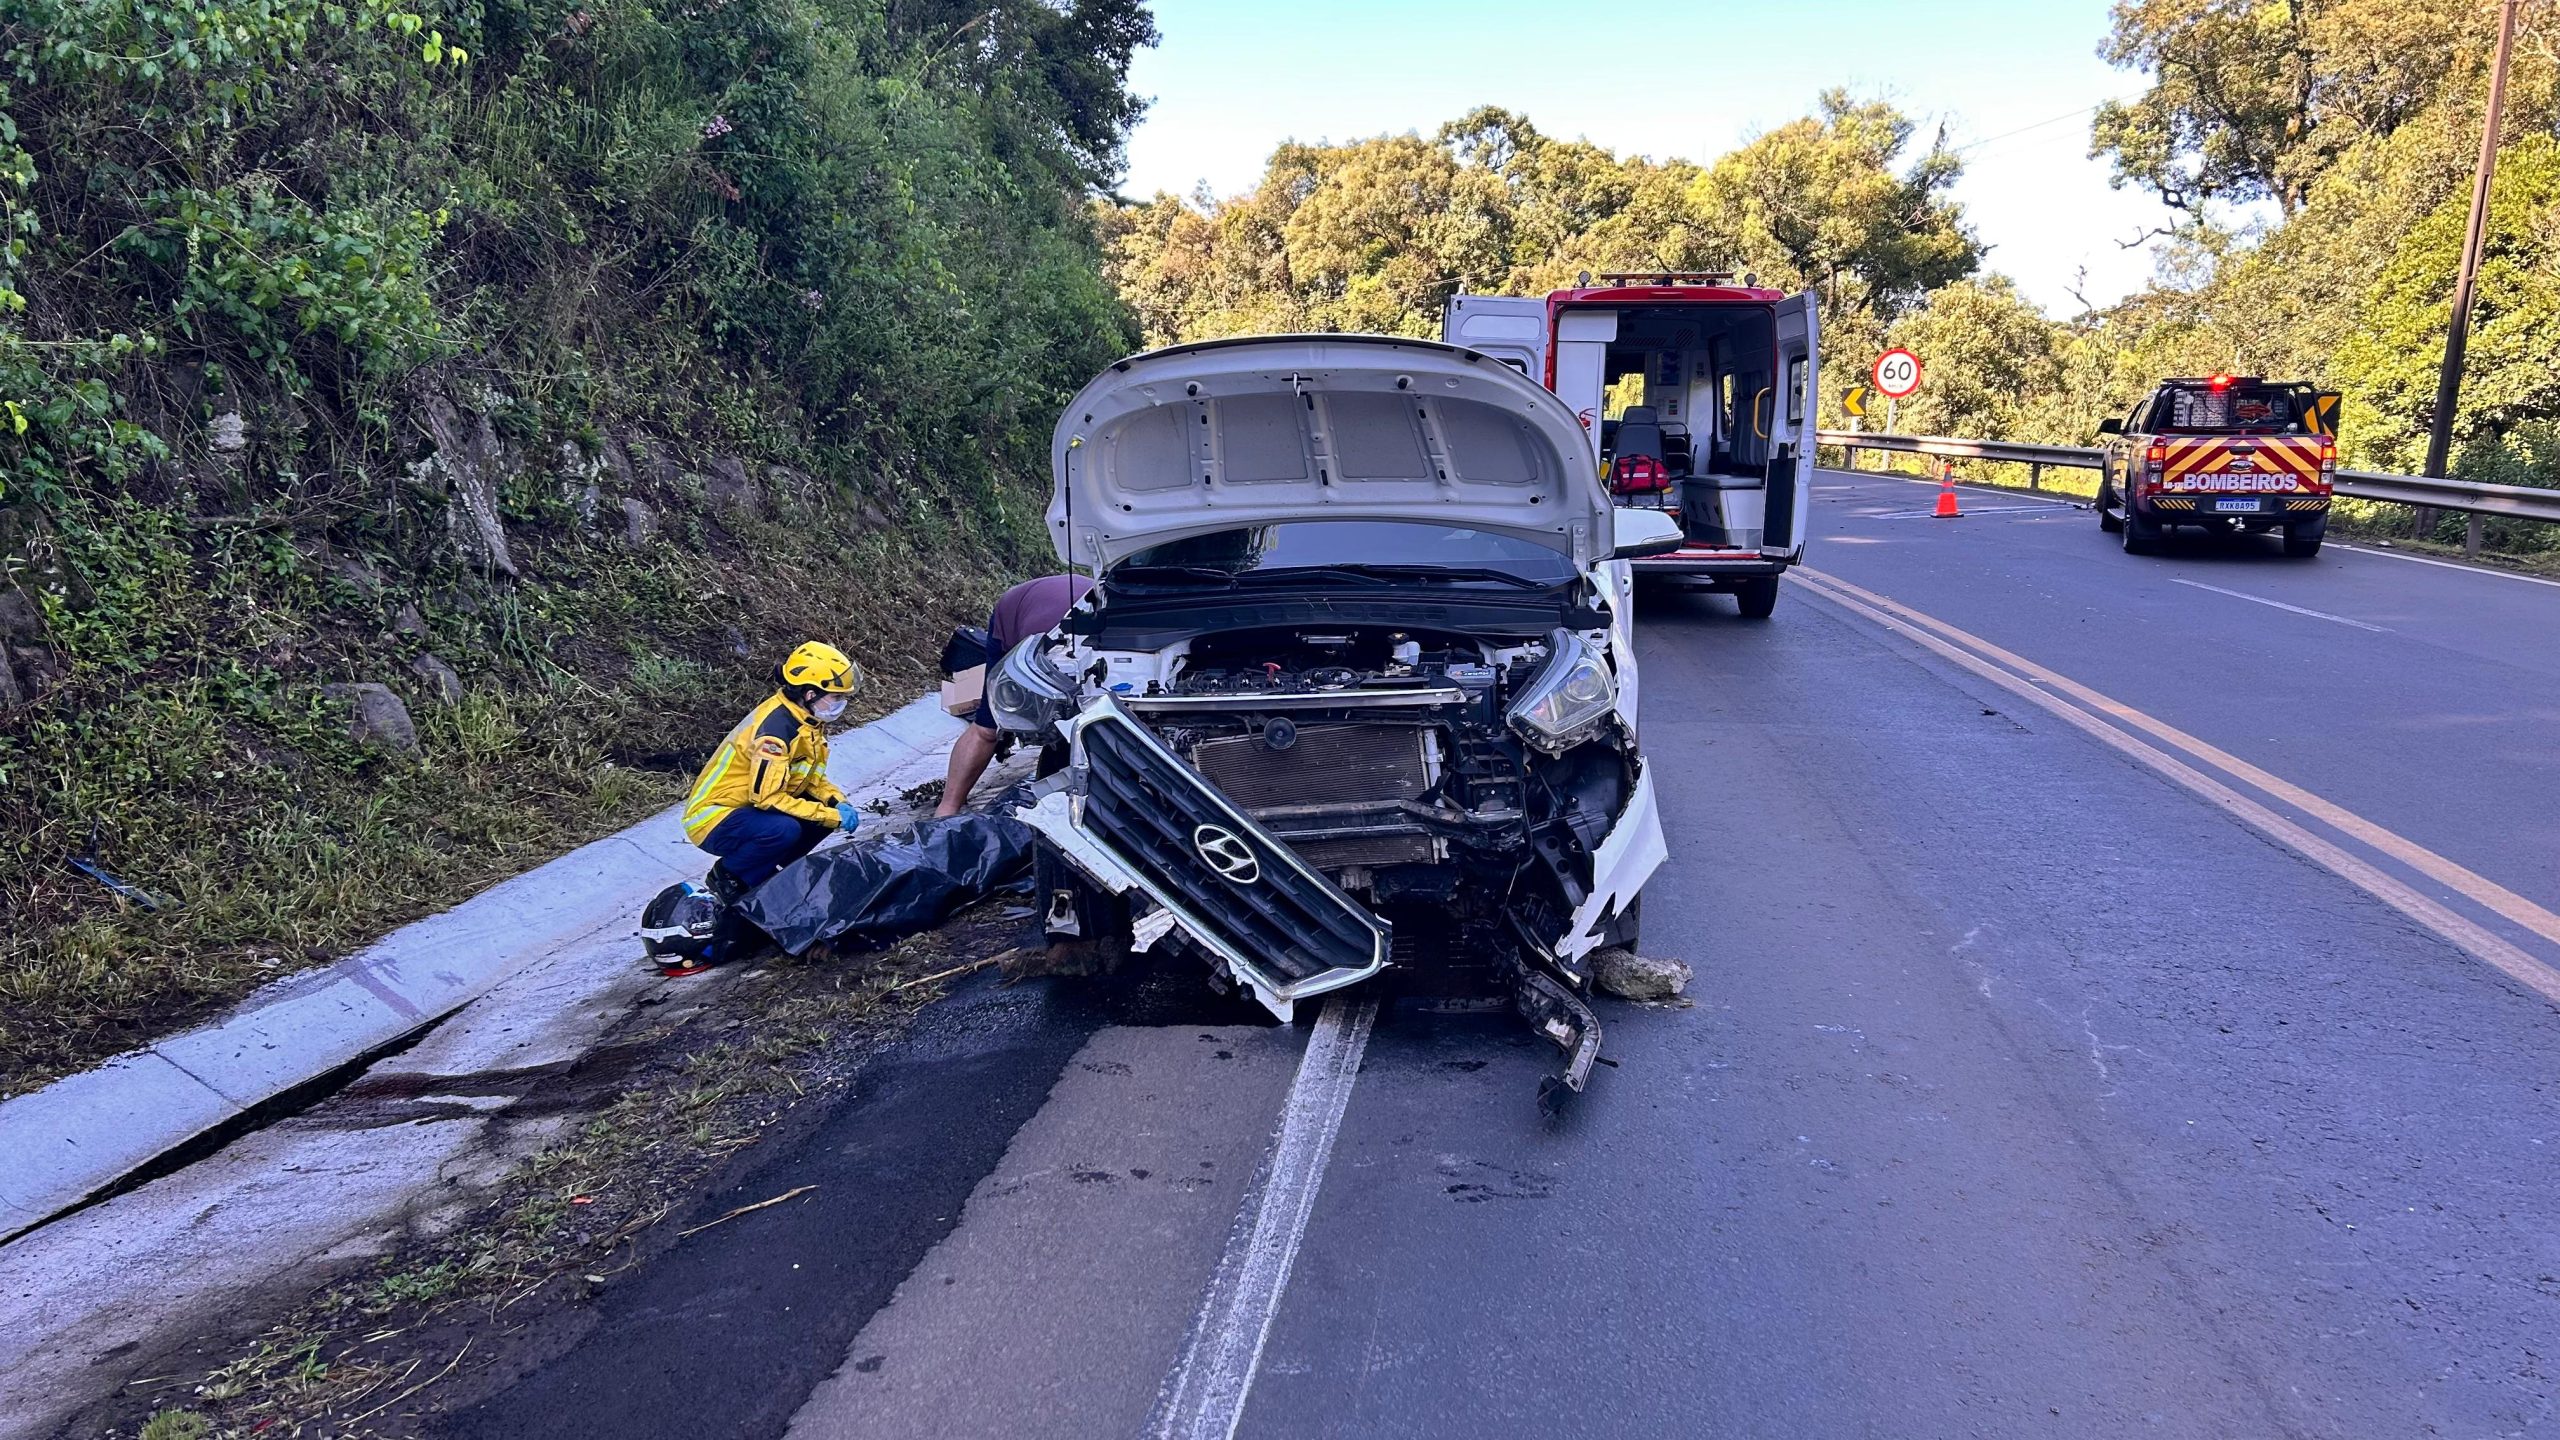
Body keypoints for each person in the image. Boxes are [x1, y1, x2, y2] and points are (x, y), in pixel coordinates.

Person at [680, 640, 866, 966]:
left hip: (744, 808)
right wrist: (827, 814)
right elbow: (766, 798)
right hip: (714, 816)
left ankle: (772, 875)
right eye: (836, 697)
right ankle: (729, 876)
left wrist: (837, 801)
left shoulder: (806, 722)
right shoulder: (776, 733)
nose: (840, 704)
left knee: (813, 818)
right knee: (783, 829)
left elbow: (810, 780)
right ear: (810, 694)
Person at [936, 574, 1093, 817]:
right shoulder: (1027, 650)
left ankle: (948, 808)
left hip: (1079, 605)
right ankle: (948, 807)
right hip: (1017, 610)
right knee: (987, 726)